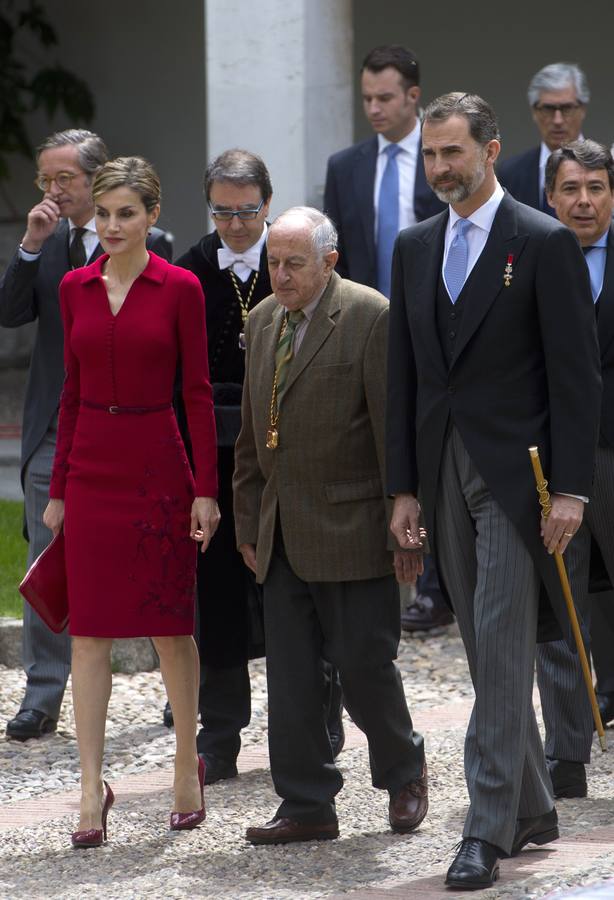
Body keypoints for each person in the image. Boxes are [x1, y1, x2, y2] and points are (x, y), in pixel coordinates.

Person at [387, 93, 601, 888]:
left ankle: (485, 828)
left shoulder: (542, 243)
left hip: (522, 481)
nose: (441, 167)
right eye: (432, 154)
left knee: (505, 638)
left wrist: (572, 492)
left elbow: (576, 381)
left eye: (454, 152)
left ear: (490, 148)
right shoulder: (413, 247)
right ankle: (536, 803)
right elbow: (404, 373)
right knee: (484, 651)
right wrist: (401, 488)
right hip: (440, 470)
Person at [233, 206, 427, 846]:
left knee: (364, 666)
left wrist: (403, 505)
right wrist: (246, 517)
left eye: (294, 264)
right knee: (289, 680)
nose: (280, 276)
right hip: (280, 530)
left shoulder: (369, 314)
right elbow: (249, 435)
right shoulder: (261, 321)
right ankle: (307, 802)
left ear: (329, 262)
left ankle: (402, 768)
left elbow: (392, 424)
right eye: (273, 263)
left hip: (351, 525)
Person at [42, 157, 219, 846]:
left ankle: (185, 765)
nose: (112, 226)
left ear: (151, 216)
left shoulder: (180, 288)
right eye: (105, 213)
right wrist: (57, 488)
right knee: (88, 633)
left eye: (126, 214)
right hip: (91, 470)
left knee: (170, 627)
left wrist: (205, 488)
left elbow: (198, 394)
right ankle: (91, 786)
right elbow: (71, 391)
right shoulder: (72, 287)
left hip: (156, 467)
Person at [174, 149, 344, 782]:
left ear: (267, 205)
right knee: (216, 599)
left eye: (248, 211)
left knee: (301, 590)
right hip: (216, 462)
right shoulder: (188, 272)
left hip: (294, 456)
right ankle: (219, 736)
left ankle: (321, 720)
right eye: (223, 211)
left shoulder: (296, 263)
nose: (237, 224)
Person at [0, 129, 172, 742]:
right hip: (56, 419)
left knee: (154, 548)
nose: (52, 190)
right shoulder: (44, 245)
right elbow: (10, 313)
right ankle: (43, 693)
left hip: (134, 425)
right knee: (48, 548)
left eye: (64, 179)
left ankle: (178, 684)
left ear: (96, 179)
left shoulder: (150, 242)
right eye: (45, 179)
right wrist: (28, 245)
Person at [324, 44, 449, 634]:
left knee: (436, 447)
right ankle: (396, 567)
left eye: (385, 98)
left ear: (413, 97)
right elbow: (337, 253)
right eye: (366, 97)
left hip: (441, 323)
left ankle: (438, 581)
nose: (373, 108)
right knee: (382, 442)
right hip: (369, 326)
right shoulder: (346, 165)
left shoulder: (444, 156)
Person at [535, 139, 614, 798]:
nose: (583, 201)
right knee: (561, 608)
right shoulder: (528, 260)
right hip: (555, 465)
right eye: (571, 189)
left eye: (595, 187)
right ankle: (566, 757)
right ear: (550, 196)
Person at [498, 63, 589, 214]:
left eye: (566, 108)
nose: (557, 120)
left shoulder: (607, 166)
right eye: (548, 109)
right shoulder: (510, 173)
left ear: (582, 109)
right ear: (534, 112)